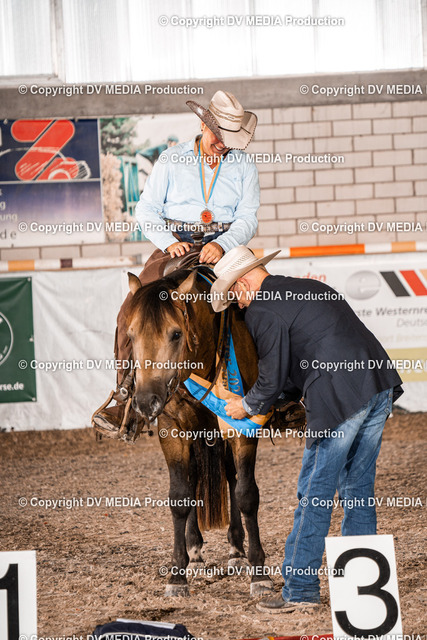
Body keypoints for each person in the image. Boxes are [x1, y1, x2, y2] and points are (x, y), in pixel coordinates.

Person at [210, 245, 403, 613]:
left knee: (314, 491)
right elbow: (301, 359)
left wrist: (245, 405)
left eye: (235, 295)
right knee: (357, 489)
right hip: (378, 385)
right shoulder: (307, 288)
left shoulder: (262, 310)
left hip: (339, 395)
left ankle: (300, 590)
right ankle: (360, 590)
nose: (237, 304)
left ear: (244, 282)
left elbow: (270, 379)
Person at [92, 92, 260, 438]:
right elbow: (146, 210)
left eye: (230, 139)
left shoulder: (244, 164)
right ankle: (124, 397)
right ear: (203, 125)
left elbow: (248, 217)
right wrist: (168, 241)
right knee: (129, 313)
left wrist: (223, 243)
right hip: (175, 245)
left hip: (226, 244)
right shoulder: (171, 159)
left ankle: (276, 393)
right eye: (219, 136)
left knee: (262, 302)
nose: (223, 145)